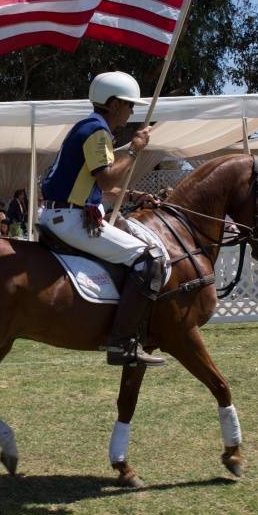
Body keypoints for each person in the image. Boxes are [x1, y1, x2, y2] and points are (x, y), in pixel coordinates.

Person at [38, 70, 166, 367]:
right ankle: (122, 342)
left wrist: (134, 195)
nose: (132, 111)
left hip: (65, 212)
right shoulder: (97, 131)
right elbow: (107, 181)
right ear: (113, 103)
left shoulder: (87, 127)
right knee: (149, 258)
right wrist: (134, 149)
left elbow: (92, 188)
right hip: (70, 219)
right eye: (129, 104)